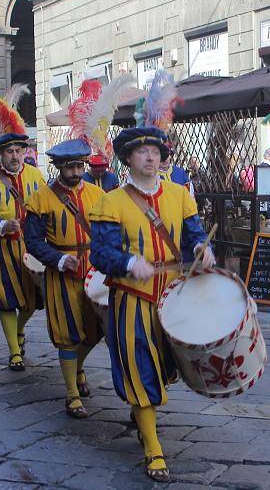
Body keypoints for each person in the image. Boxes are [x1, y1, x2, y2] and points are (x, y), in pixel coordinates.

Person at [89, 126, 213, 483]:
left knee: (167, 369)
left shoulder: (179, 194)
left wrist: (204, 249)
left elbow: (193, 235)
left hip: (174, 296)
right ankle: (153, 448)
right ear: (128, 158)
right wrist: (128, 263)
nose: (151, 157)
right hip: (133, 299)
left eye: (155, 152)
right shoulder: (110, 201)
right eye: (142, 152)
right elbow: (100, 253)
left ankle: (142, 411)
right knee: (140, 370)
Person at [24, 138, 104, 418]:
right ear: (58, 167)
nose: (75, 172)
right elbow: (32, 242)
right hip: (61, 274)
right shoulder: (40, 199)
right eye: (69, 167)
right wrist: (57, 259)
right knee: (68, 334)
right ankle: (71, 394)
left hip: (94, 273)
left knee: (95, 332)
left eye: (79, 166)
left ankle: (78, 368)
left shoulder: (98, 195)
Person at [0, 88, 44, 371]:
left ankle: (19, 330)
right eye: (9, 151)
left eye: (19, 150)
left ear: (25, 152)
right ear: (1, 154)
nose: (15, 156)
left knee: (33, 299)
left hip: (31, 245)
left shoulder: (37, 176)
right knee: (6, 300)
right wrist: (2, 224)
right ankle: (14, 352)